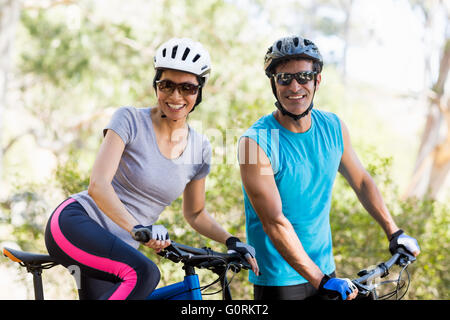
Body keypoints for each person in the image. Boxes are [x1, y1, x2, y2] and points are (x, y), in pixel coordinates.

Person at [45, 37, 258, 300]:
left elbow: (196, 213)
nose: (176, 96)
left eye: (187, 88)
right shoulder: (130, 120)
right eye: (167, 85)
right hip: (75, 222)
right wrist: (138, 228)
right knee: (145, 273)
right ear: (156, 85)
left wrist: (231, 241)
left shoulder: (200, 148)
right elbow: (98, 185)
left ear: (199, 92)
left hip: (117, 247)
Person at [238, 35, 420, 300]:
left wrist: (394, 231)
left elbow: (361, 182)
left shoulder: (333, 127)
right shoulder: (254, 143)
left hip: (325, 270)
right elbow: (274, 222)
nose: (294, 87)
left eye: (303, 77)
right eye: (284, 79)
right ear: (273, 84)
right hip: (280, 278)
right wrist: (320, 280)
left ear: (317, 80)